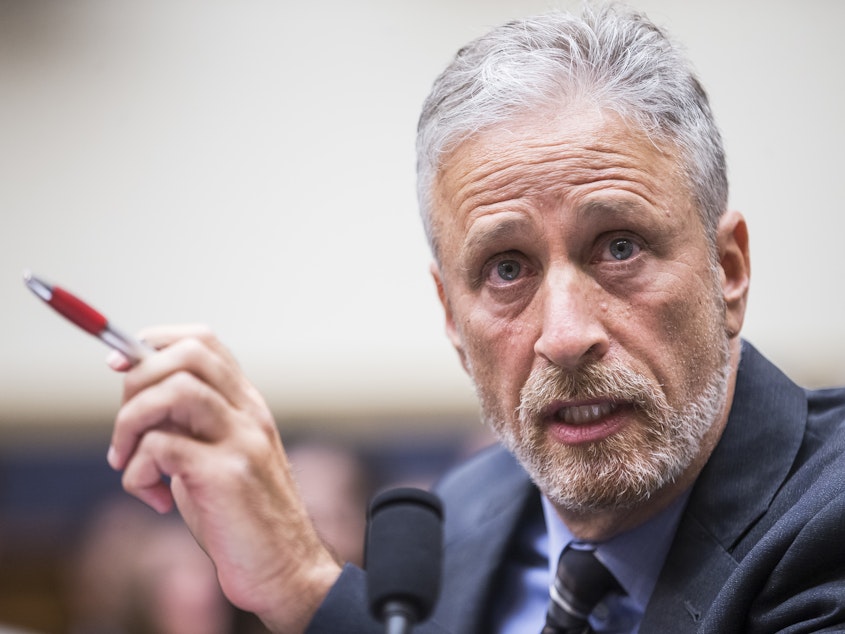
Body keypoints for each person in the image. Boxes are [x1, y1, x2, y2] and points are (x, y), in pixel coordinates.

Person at [105, 4, 845, 633]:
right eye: (506, 269)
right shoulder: (459, 517)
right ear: (452, 321)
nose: (563, 335)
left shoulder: (828, 521)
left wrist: (306, 585)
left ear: (728, 271)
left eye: (618, 247)